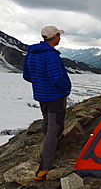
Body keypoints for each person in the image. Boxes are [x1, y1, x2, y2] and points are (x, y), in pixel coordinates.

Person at [23, 26, 72, 181]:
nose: (60, 37)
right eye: (59, 35)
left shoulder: (31, 53)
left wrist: (40, 84)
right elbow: (57, 78)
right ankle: (45, 166)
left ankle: (52, 143)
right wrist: (67, 87)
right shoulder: (50, 56)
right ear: (55, 37)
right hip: (55, 96)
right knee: (54, 127)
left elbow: (27, 75)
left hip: (42, 95)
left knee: (47, 121)